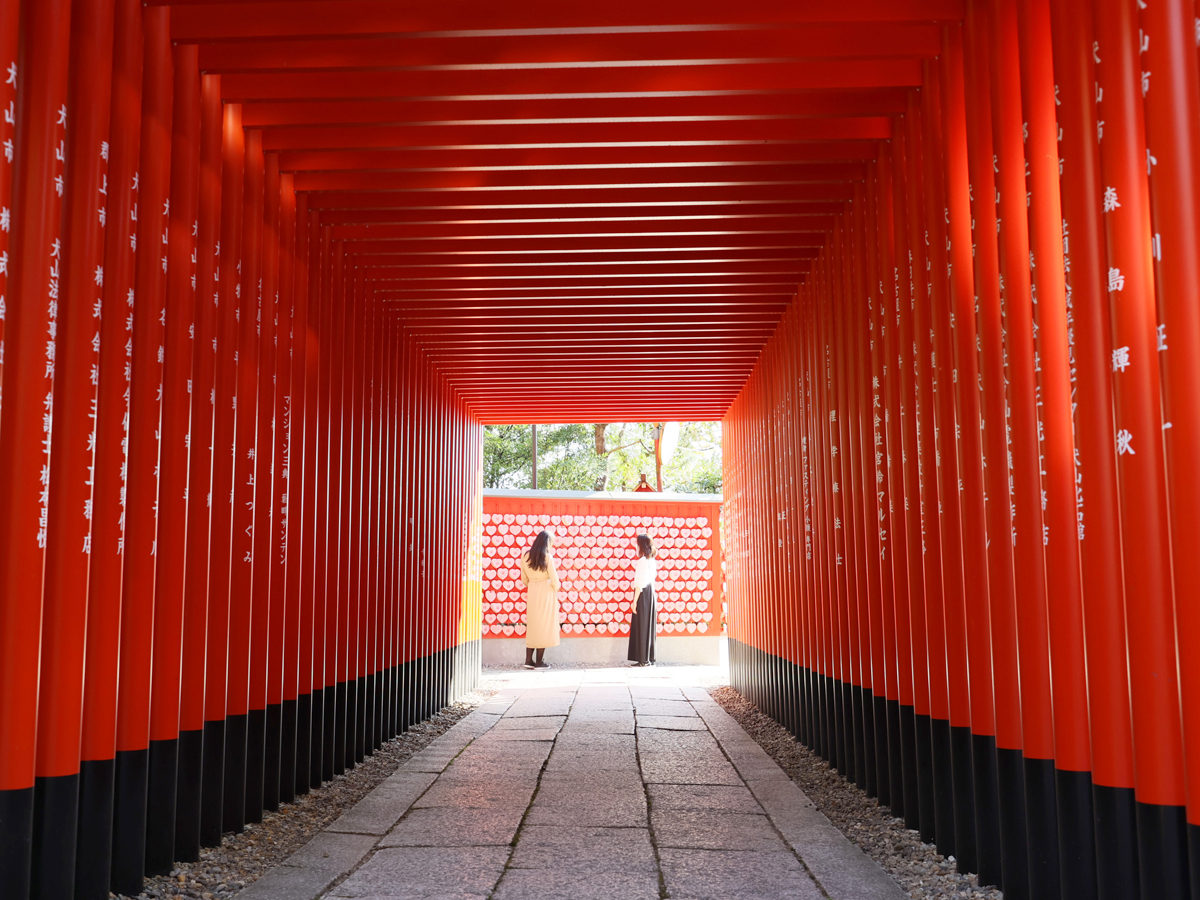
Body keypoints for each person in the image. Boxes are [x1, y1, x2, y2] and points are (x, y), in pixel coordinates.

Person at [519, 530, 560, 669]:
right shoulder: (547, 557)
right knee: (544, 624)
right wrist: (555, 588)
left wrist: (532, 585)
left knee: (533, 625)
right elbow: (554, 579)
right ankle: (539, 661)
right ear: (547, 542)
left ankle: (528, 660)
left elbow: (524, 578)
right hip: (546, 591)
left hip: (533, 591)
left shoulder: (525, 555)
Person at [627, 533, 657, 666]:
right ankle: (648, 658)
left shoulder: (642, 561)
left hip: (643, 593)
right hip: (651, 593)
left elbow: (639, 583)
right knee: (648, 625)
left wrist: (634, 602)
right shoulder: (652, 560)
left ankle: (643, 660)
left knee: (641, 625)